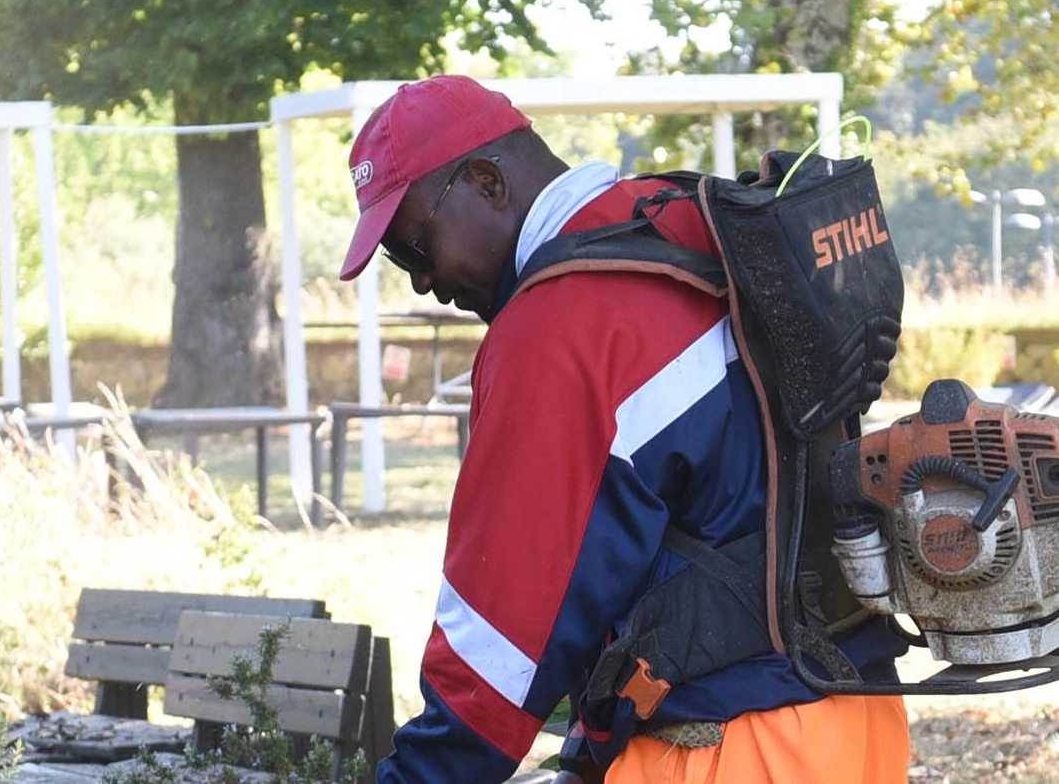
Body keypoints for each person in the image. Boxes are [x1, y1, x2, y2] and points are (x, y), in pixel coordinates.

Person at [337, 74, 911, 784]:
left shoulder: (557, 328)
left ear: (485, 182)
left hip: (723, 747)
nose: (421, 283)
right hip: (858, 718)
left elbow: (498, 647)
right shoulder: (688, 222)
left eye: (413, 248)